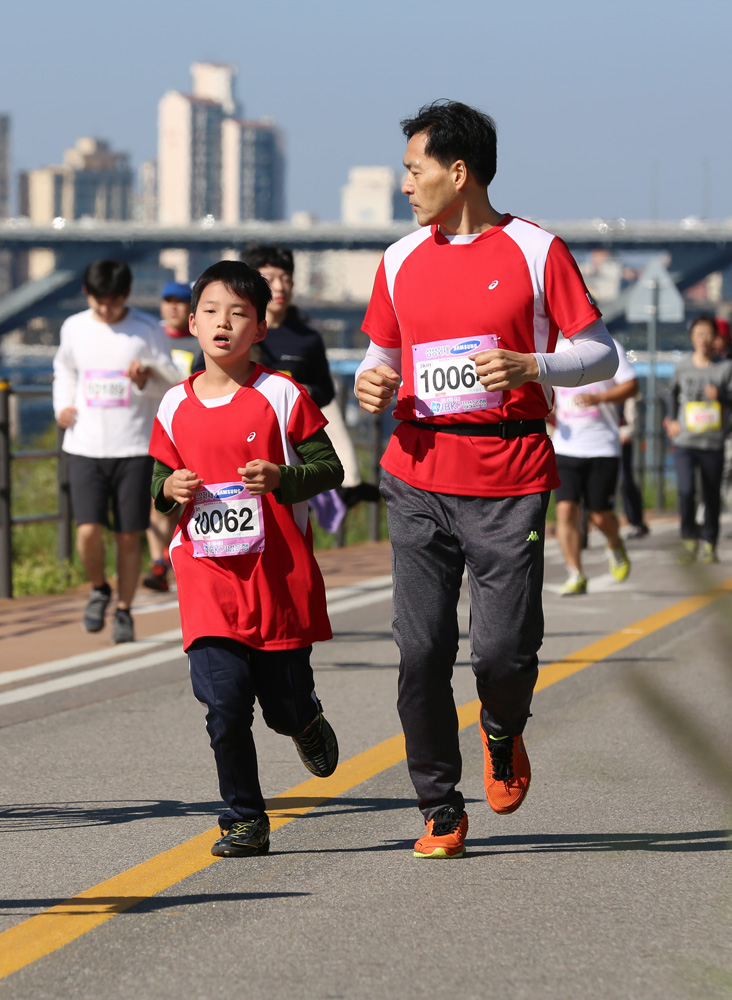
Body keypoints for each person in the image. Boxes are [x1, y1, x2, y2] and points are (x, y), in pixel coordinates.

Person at [355, 100, 618, 858]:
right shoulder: (399, 259)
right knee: (421, 651)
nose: (406, 184)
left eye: (415, 169)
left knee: (501, 652)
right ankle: (440, 805)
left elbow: (600, 353)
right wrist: (372, 381)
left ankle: (501, 729)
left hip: (509, 474)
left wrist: (533, 365)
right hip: (416, 471)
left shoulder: (537, 250)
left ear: (459, 171)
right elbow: (382, 355)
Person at [149, 260, 343, 858]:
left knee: (281, 708)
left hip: (275, 576)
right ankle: (244, 818)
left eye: (238, 314)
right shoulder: (173, 405)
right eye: (210, 311)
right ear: (192, 322)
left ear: (260, 327)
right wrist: (169, 488)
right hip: (206, 577)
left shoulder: (281, 393)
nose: (222, 323)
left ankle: (304, 719)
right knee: (225, 706)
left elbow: (329, 468)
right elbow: (156, 481)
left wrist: (282, 476)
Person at [52, 259, 179, 642]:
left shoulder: (147, 329)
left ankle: (124, 609)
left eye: (114, 301)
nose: (106, 309)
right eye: (99, 301)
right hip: (84, 444)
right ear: (86, 294)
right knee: (87, 530)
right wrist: (62, 406)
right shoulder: (74, 327)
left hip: (134, 446)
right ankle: (98, 588)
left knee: (128, 534)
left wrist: (145, 377)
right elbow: (65, 370)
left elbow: (171, 382)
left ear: (127, 295)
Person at [551, 337, 637, 595]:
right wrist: (548, 410)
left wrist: (601, 398)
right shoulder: (555, 349)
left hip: (602, 446)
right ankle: (575, 573)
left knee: (600, 516)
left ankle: (614, 542)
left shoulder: (608, 346)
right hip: (566, 446)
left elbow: (631, 386)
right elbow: (546, 392)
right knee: (565, 511)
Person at [665, 314, 732, 563]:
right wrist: (672, 419)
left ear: (715, 338)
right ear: (692, 337)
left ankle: (710, 542)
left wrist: (720, 396)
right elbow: (672, 393)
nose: (703, 339)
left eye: (708, 334)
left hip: (713, 442)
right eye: (698, 334)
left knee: (711, 494)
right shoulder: (682, 366)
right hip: (685, 441)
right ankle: (689, 535)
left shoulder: (725, 368)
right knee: (686, 491)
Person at [144, 280, 196, 593]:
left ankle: (174, 555)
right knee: (159, 496)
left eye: (180, 301)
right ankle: (158, 562)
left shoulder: (201, 340)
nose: (173, 307)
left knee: (188, 497)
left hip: (192, 431)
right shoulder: (151, 338)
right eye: (168, 301)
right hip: (157, 433)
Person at [618, 396, 650, 539]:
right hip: (598, 440)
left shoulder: (624, 389)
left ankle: (636, 521)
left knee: (625, 481)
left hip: (621, 439)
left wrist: (627, 432)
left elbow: (632, 411)